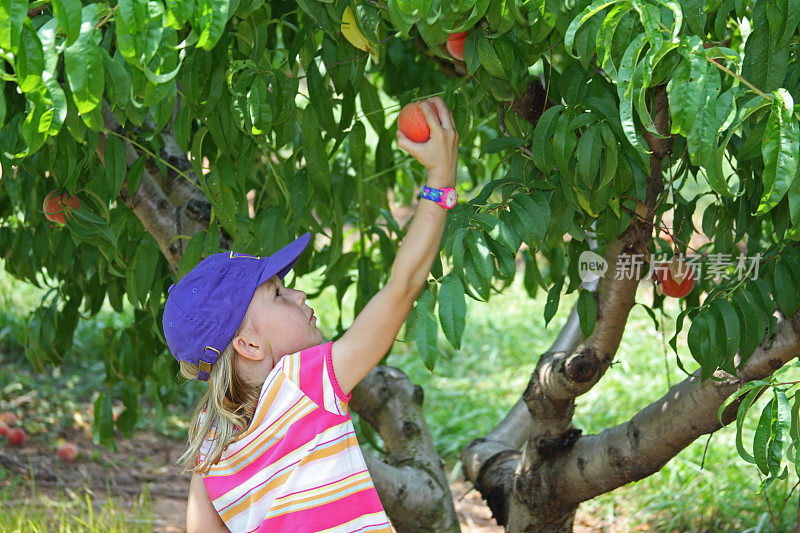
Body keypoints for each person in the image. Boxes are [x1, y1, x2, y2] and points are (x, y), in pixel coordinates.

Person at [162, 96, 459, 532]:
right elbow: (403, 287)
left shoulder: (209, 445)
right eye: (279, 294)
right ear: (247, 343)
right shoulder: (302, 383)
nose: (300, 294)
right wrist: (440, 177)